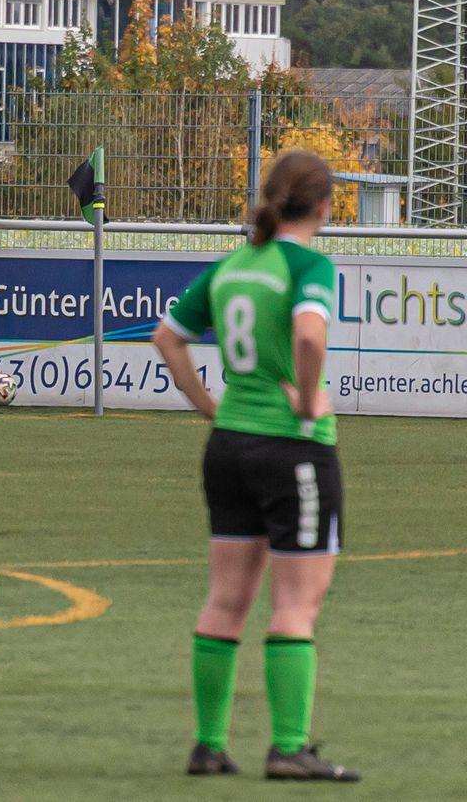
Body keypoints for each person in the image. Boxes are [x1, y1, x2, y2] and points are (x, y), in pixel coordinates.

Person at [151, 149, 361, 783]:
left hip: (229, 447)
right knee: (296, 602)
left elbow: (167, 337)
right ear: (324, 206)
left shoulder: (233, 265)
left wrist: (208, 406)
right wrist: (307, 401)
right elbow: (308, 335)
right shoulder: (309, 265)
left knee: (226, 599)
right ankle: (289, 747)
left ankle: (209, 744)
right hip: (290, 449)